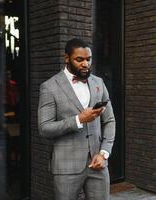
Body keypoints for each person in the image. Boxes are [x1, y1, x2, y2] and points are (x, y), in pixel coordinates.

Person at [38, 38, 115, 200]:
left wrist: (104, 152)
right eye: (79, 60)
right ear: (67, 58)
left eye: (88, 59)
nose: (85, 64)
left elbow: (109, 121)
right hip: (66, 167)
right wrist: (78, 119)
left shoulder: (98, 82)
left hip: (98, 164)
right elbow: (44, 128)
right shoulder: (49, 87)